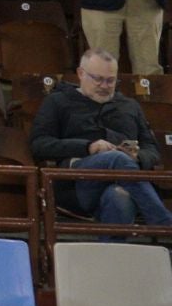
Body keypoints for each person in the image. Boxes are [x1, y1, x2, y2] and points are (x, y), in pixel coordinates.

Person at [30, 49, 172, 227]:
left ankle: (112, 251)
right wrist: (88, 147)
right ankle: (165, 225)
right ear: (81, 74)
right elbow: (39, 144)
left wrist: (137, 156)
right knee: (116, 158)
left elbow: (152, 149)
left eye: (110, 80)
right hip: (76, 182)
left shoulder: (130, 106)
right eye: (98, 79)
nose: (104, 86)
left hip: (126, 184)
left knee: (118, 197)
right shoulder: (58, 102)